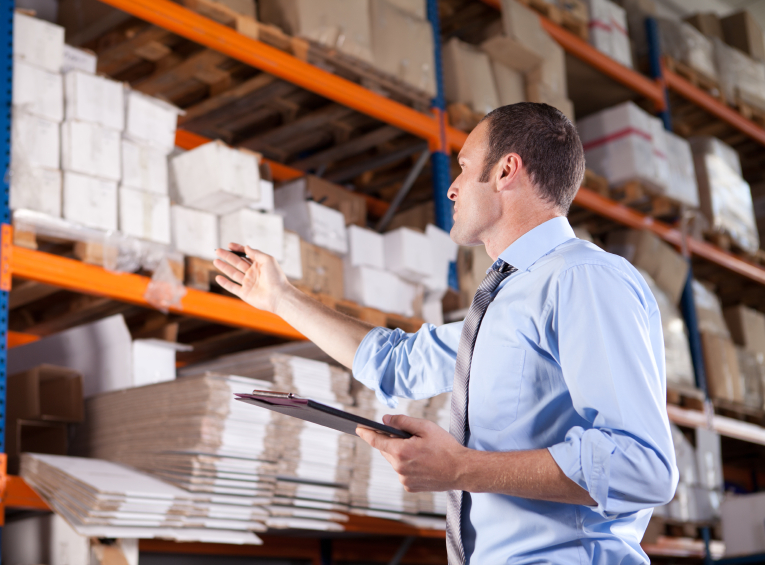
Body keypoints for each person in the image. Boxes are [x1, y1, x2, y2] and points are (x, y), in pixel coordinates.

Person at [213, 102, 678, 564]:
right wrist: (280, 298)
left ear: (505, 171)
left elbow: (644, 466)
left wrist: (460, 468)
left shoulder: (583, 278)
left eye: (464, 167)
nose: (452, 189)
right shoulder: (504, 305)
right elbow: (396, 364)